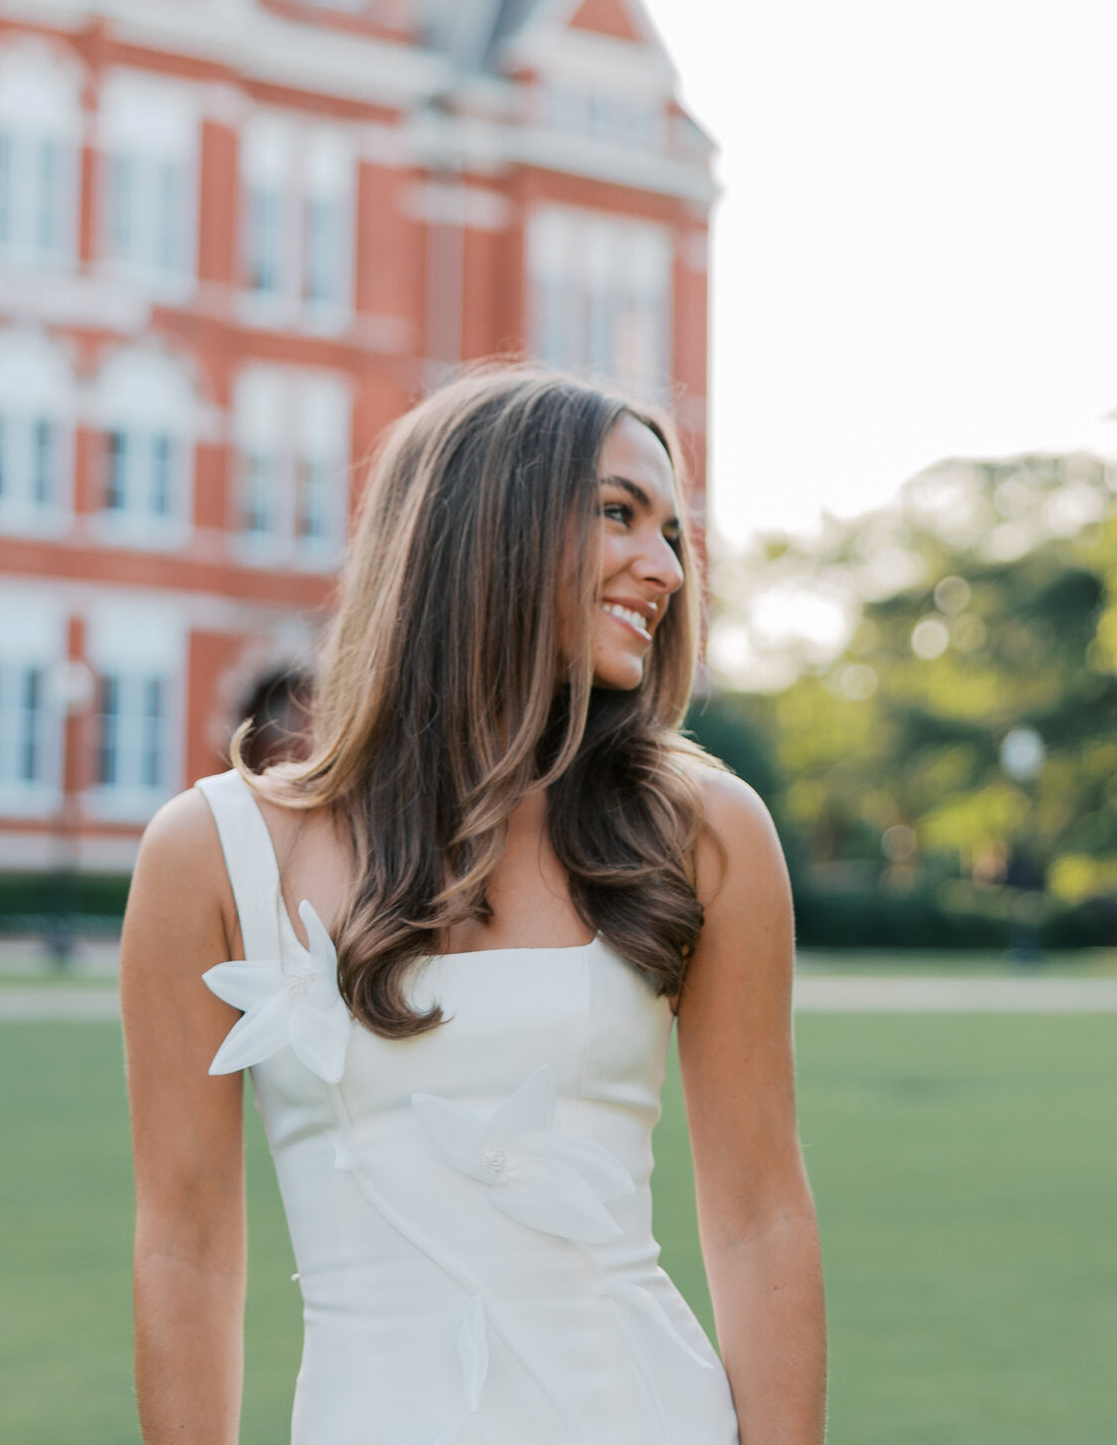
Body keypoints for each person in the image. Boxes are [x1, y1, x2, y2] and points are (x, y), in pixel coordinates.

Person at [121, 367, 826, 1445]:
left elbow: (760, 1216)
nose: (668, 568)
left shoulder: (704, 832)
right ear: (483, 524)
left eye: (673, 532)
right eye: (618, 513)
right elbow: (186, 1242)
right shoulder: (209, 854)